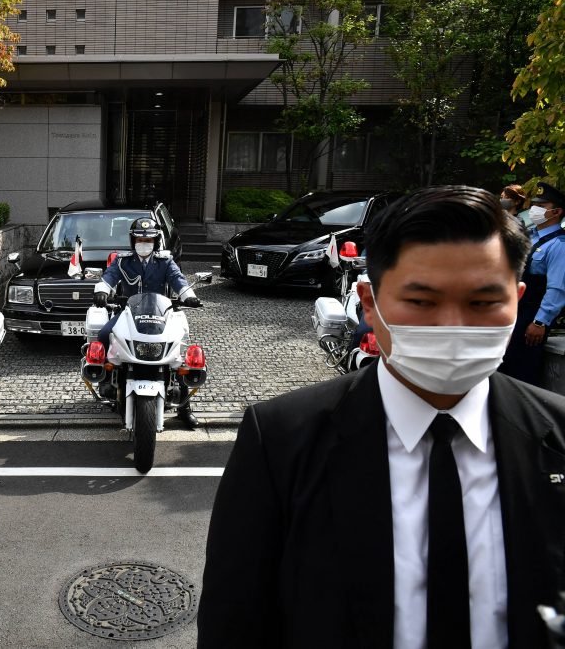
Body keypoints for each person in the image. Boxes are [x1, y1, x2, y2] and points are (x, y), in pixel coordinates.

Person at [198, 186, 565, 648]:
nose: (453, 326)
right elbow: (235, 623)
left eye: (483, 303)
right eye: (421, 301)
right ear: (369, 302)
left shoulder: (558, 435)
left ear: (518, 297)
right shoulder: (280, 441)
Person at [93, 217, 202, 429]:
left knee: (179, 349)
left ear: (156, 241)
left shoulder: (165, 261)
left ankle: (184, 407)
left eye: (149, 240)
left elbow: (178, 279)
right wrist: (101, 292)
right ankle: (106, 380)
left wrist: (188, 295)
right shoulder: (123, 261)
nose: (144, 244)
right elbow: (109, 277)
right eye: (140, 240)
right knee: (104, 334)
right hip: (127, 313)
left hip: (161, 315)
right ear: (132, 241)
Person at [499, 181, 565, 387]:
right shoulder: (530, 235)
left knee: (521, 373)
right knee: (501, 369)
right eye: (534, 204)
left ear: (556, 212)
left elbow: (557, 288)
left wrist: (540, 322)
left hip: (531, 316)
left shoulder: (559, 244)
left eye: (542, 206)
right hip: (514, 309)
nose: (534, 209)